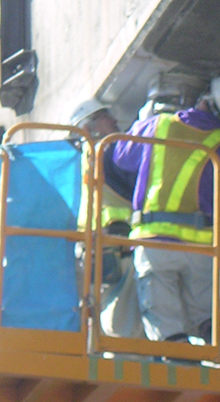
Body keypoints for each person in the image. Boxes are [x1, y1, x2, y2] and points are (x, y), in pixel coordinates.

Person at [111, 74, 220, 342]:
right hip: (199, 246)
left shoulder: (158, 125)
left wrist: (142, 122)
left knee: (164, 315)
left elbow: (121, 156)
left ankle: (177, 355)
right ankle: (217, 347)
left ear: (206, 96)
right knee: (205, 314)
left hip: (155, 240)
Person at [68, 98, 143, 336]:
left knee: (109, 315)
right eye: (104, 116)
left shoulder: (84, 160)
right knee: (125, 319)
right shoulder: (108, 152)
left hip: (97, 249)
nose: (113, 120)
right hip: (117, 244)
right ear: (88, 128)